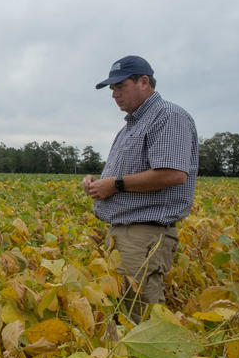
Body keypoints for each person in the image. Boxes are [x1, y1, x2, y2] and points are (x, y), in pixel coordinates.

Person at [82, 55, 198, 323]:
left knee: (142, 316)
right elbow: (123, 174)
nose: (115, 95)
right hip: (124, 231)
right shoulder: (132, 126)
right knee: (125, 309)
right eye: (112, 90)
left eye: (120, 87)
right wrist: (97, 182)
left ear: (144, 82)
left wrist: (115, 184)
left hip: (144, 232)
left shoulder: (168, 116)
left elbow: (173, 173)